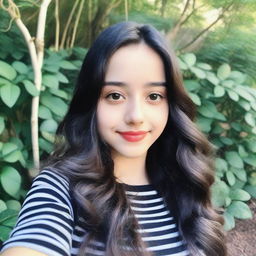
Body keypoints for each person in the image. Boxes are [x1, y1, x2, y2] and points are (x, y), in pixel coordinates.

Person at [0, 21, 227, 256]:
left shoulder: (187, 184)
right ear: (91, 102)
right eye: (115, 95)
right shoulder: (60, 189)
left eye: (154, 96)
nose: (136, 116)